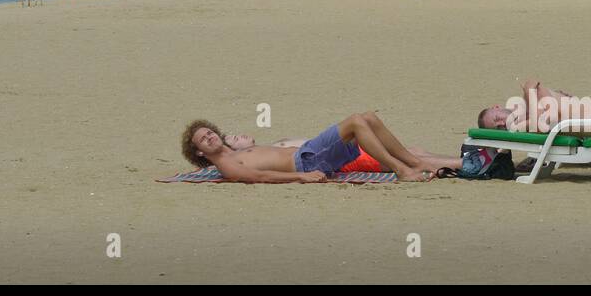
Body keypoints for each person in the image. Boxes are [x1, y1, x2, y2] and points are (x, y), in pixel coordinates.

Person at [181, 112, 460, 183]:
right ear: (200, 154)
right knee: (355, 122)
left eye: (209, 132)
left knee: (368, 118)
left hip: (308, 155)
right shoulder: (227, 164)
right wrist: (301, 177)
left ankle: (414, 162)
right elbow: (260, 177)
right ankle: (403, 169)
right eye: (203, 141)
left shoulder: (236, 151)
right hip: (306, 162)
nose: (209, 137)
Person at [220, 130, 459, 175]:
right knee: (407, 158)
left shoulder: (270, 147)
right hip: (343, 162)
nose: (238, 135)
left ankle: (460, 160)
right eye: (233, 139)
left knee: (412, 151)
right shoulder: (249, 161)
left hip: (339, 152)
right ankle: (464, 164)